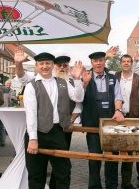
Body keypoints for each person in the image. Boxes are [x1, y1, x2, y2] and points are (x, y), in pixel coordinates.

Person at [23, 52, 84, 189]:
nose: (45, 66)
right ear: (37, 66)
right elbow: (31, 114)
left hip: (57, 133)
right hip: (37, 133)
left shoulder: (62, 82)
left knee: (63, 172)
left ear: (52, 65)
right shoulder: (31, 86)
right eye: (41, 64)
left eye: (48, 63)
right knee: (36, 175)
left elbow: (78, 98)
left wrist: (77, 79)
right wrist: (33, 139)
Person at [81, 51, 124, 189]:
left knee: (112, 159)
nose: (98, 63)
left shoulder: (112, 78)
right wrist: (84, 83)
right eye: (95, 61)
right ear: (92, 63)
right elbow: (78, 96)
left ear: (104, 61)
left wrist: (118, 110)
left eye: (100, 60)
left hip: (111, 124)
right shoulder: (85, 77)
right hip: (92, 124)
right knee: (94, 159)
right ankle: (94, 187)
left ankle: (111, 186)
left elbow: (118, 97)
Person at [114, 54, 139, 189]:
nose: (126, 63)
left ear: (131, 63)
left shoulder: (138, 79)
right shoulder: (115, 77)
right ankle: (125, 182)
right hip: (119, 118)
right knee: (125, 151)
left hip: (134, 117)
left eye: (129, 61)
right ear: (120, 63)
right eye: (124, 61)